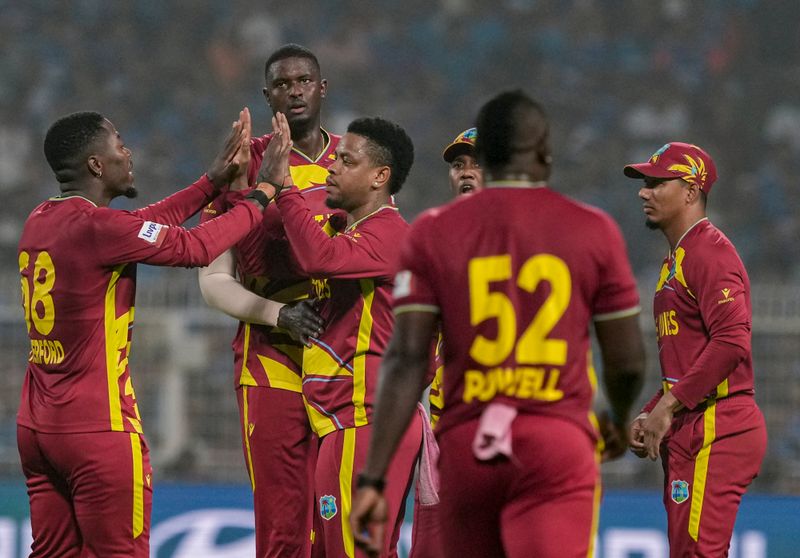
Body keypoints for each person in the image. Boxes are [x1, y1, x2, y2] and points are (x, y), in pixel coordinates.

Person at [349, 89, 646, 558]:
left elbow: (405, 359)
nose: (466, 171)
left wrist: (373, 477)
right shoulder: (591, 229)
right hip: (555, 437)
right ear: (544, 155)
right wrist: (618, 418)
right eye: (458, 165)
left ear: (487, 159)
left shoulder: (431, 233)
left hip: (469, 441)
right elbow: (626, 361)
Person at [16, 108, 276, 557]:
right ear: (96, 164)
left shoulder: (41, 217)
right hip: (98, 429)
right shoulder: (101, 228)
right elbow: (197, 247)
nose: (128, 152)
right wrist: (263, 194)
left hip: (38, 429)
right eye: (118, 143)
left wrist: (210, 183)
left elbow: (142, 224)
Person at [257, 112, 422, 558]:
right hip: (347, 422)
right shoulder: (353, 232)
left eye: (347, 161)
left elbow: (318, 259)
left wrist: (285, 187)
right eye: (335, 158)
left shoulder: (387, 234)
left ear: (380, 177)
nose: (331, 167)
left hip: (362, 419)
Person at [198, 43, 338, 558]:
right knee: (283, 525)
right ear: (266, 95)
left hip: (343, 360)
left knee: (338, 520)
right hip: (270, 360)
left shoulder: (356, 162)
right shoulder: (243, 164)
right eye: (282, 84)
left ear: (322, 88)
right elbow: (213, 279)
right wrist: (279, 314)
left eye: (304, 81)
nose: (294, 92)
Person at [624, 142, 767, 557]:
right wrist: (655, 408)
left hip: (719, 425)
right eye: (645, 183)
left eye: (656, 183)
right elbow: (687, 362)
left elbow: (732, 341)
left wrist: (668, 406)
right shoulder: (678, 259)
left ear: (690, 191)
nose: (644, 191)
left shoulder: (709, 253)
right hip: (694, 425)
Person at [408, 127, 484, 558]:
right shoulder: (435, 244)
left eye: (478, 164)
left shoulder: (530, 244)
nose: (466, 173)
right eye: (458, 165)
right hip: (444, 435)